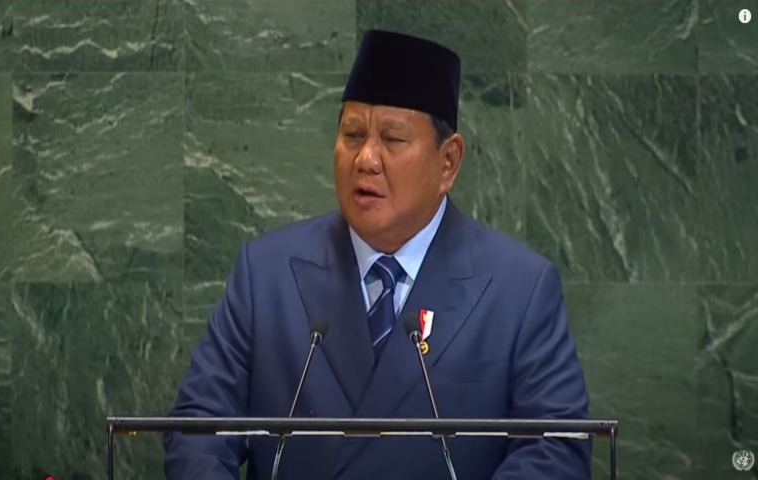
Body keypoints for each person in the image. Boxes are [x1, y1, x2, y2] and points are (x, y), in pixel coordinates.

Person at [164, 29, 591, 479]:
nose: (365, 159)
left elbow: (555, 451)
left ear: (448, 162)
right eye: (352, 134)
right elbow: (198, 429)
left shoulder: (520, 290)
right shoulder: (266, 275)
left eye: (392, 139)